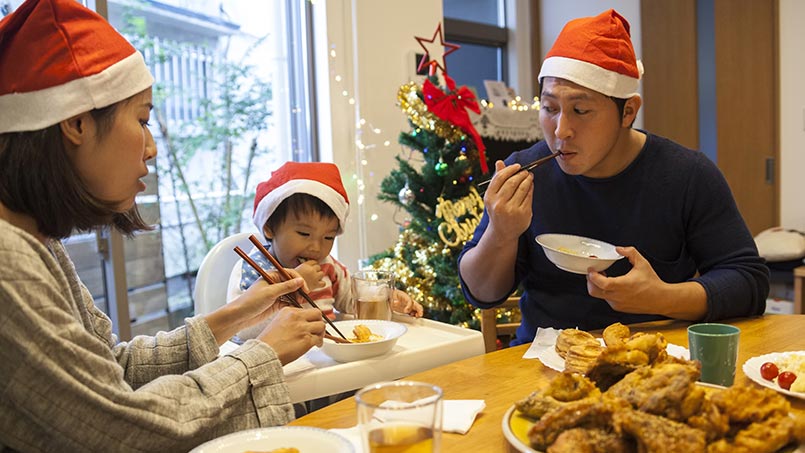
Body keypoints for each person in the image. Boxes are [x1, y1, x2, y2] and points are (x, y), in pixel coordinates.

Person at [0, 1, 326, 451]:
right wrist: (261, 355)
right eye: (142, 119)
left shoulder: (36, 241)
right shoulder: (7, 260)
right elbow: (116, 427)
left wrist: (238, 313)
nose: (151, 148)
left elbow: (112, 366)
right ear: (75, 122)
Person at [458, 9, 769, 346]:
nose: (561, 130)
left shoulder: (687, 174)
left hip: (651, 365)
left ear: (628, 112)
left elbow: (748, 282)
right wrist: (500, 234)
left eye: (581, 110)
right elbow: (480, 293)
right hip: (539, 366)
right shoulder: (527, 172)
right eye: (549, 108)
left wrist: (662, 297)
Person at [227, 161, 423, 341]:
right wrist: (299, 291)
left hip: (323, 357)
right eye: (304, 233)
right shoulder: (253, 269)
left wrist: (386, 297)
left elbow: (351, 300)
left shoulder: (327, 266)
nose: (316, 247)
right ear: (269, 227)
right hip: (271, 362)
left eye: (328, 237)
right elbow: (243, 329)